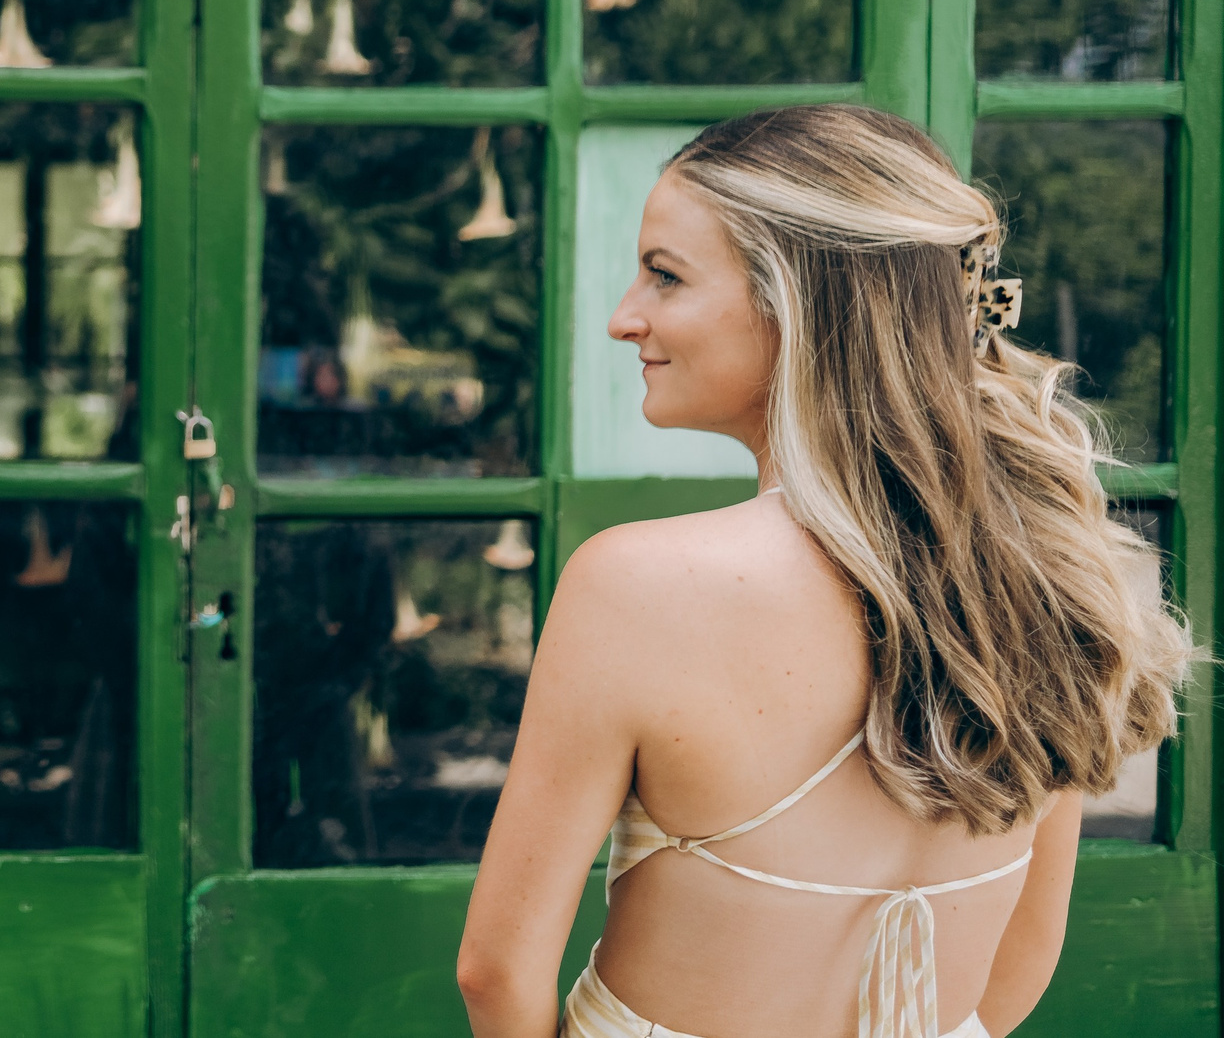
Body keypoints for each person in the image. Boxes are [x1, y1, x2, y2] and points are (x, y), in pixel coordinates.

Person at [456, 105, 1191, 1038]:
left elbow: (495, 971)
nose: (623, 317)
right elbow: (1019, 964)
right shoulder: (1050, 576)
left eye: (665, 275)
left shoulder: (635, 585)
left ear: (797, 301)